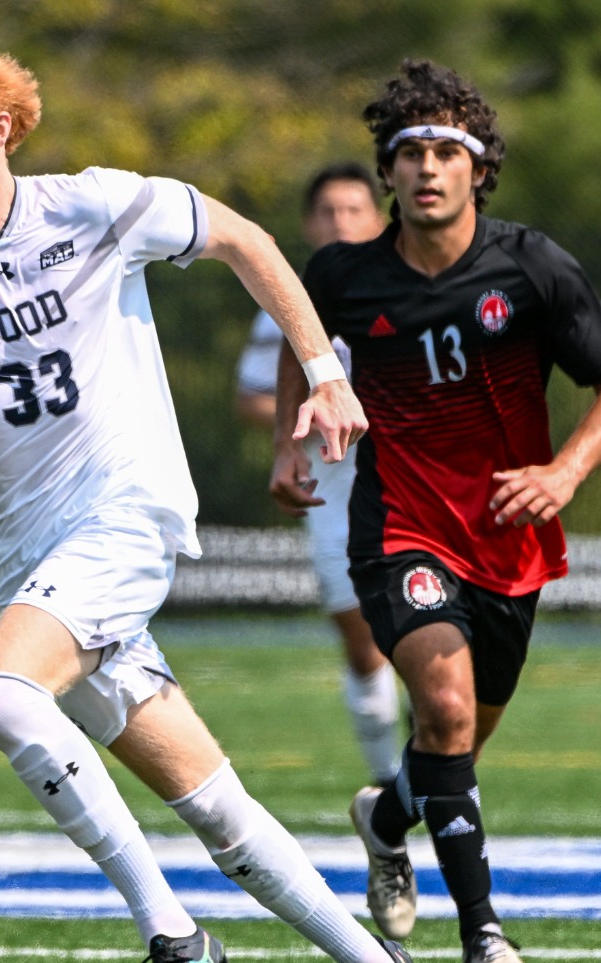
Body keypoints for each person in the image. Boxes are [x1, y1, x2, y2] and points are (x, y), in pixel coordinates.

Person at [0, 10, 457, 963]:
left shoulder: (93, 205)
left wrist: (324, 374)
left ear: (0, 128)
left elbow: (247, 241)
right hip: (28, 571)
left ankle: (170, 931)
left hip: (128, 517)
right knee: (218, 810)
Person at [272, 60, 601, 963]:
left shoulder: (531, 267)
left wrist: (565, 472)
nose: (427, 168)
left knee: (456, 743)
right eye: (410, 152)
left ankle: (385, 818)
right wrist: (289, 440)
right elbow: (299, 342)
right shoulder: (344, 275)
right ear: (387, 171)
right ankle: (483, 933)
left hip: (508, 540)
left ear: (479, 168)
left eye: (447, 151)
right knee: (440, 710)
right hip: (399, 528)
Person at [234, 164, 402, 790]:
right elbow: (252, 397)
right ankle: (387, 781)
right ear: (308, 224)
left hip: (414, 490)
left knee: (432, 640)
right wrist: (309, 418)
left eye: (354, 210)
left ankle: (432, 767)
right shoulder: (288, 307)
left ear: (378, 219)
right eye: (328, 211)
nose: (341, 222)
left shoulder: (411, 291)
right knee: (364, 646)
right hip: (336, 496)